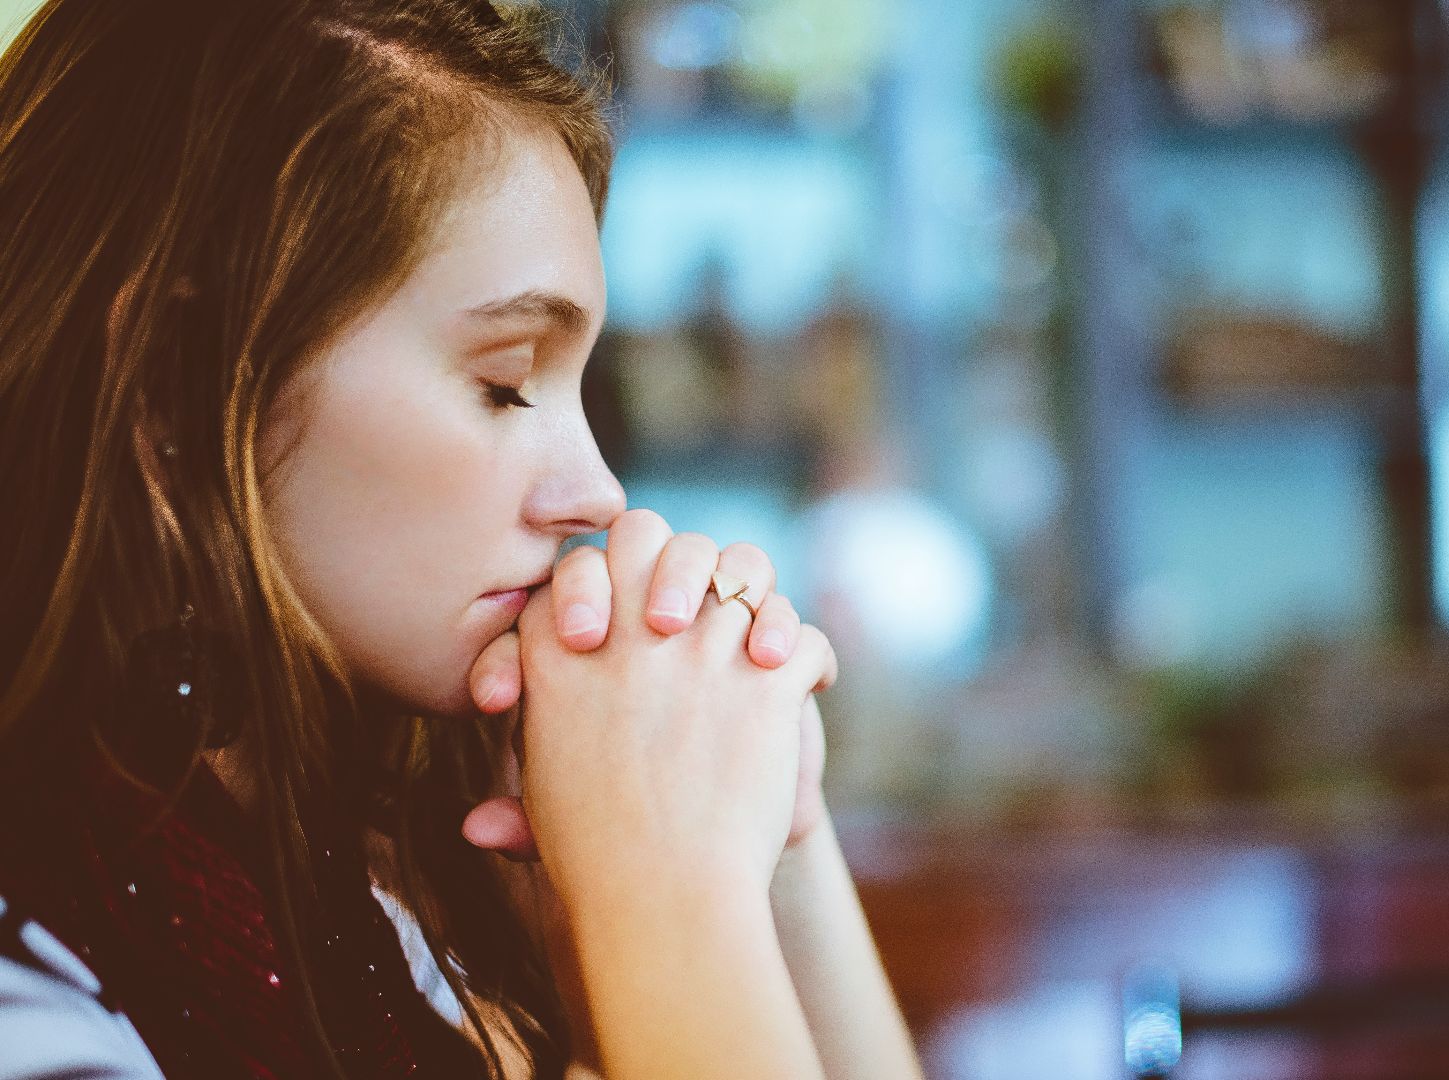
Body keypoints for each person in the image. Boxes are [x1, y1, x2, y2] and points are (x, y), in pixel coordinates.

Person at [0, 1, 922, 1077]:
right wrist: (667, 886)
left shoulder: (375, 890)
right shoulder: (39, 980)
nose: (600, 494)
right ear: (175, 383)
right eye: (502, 383)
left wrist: (775, 836)